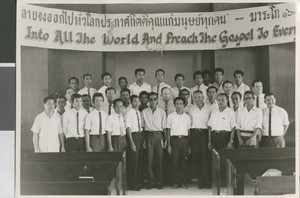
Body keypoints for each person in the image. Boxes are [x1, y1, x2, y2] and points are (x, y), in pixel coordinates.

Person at [141, 92, 167, 189]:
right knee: (149, 160)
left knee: (159, 160)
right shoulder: (144, 112)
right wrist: (144, 140)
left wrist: (165, 140)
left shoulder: (162, 112)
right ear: (148, 100)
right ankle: (151, 182)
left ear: (157, 100)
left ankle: (159, 182)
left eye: (154, 99)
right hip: (149, 136)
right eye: (150, 99)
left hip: (159, 136)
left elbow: (164, 128)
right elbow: (143, 127)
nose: (152, 101)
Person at [166, 97, 191, 189]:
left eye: (181, 104)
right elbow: (168, 132)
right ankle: (175, 182)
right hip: (174, 140)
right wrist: (168, 145)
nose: (179, 106)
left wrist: (189, 145)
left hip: (184, 140)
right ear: (174, 105)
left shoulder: (187, 117)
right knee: (174, 162)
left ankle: (183, 182)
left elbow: (189, 132)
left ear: (184, 105)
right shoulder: (170, 116)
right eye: (177, 104)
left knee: (184, 161)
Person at [188, 90, 211, 189]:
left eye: (199, 97)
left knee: (205, 157)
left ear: (203, 97)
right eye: (195, 97)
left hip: (205, 134)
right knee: (197, 157)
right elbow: (189, 124)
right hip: (195, 133)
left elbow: (210, 124)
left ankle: (208, 181)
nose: (197, 99)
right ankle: (201, 182)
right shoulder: (191, 109)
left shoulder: (208, 108)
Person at [125, 95, 144, 191]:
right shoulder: (129, 113)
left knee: (139, 161)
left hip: (140, 136)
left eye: (138, 101)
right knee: (133, 161)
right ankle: (132, 184)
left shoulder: (139, 113)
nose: (137, 103)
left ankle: (138, 182)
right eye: (135, 101)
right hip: (133, 136)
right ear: (131, 102)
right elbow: (128, 129)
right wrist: (132, 142)